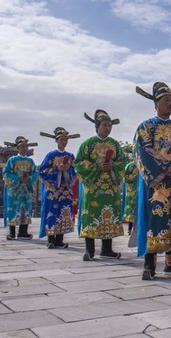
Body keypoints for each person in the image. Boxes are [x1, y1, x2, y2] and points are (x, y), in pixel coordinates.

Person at [134, 82, 171, 280]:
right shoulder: (146, 127)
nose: (170, 104)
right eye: (166, 100)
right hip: (157, 184)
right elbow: (142, 151)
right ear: (156, 103)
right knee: (155, 218)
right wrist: (164, 168)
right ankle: (149, 265)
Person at [75, 110, 126, 261]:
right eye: (104, 125)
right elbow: (78, 163)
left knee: (108, 215)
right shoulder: (88, 144)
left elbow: (122, 162)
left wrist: (112, 166)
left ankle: (107, 249)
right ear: (97, 126)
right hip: (93, 187)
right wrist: (96, 167)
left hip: (110, 187)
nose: (108, 128)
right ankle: (89, 250)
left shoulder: (115, 144)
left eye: (110, 125)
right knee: (90, 215)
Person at [38, 127, 80, 249]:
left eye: (66, 139)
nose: (64, 142)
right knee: (52, 213)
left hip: (65, 189)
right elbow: (42, 171)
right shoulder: (51, 155)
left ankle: (60, 240)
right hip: (53, 190)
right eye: (62, 139)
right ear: (57, 140)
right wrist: (57, 169)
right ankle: (50, 239)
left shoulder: (70, 156)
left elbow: (75, 171)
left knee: (63, 212)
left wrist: (69, 171)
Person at [3, 136, 39, 240]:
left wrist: (29, 179)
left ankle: (23, 232)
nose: (24, 148)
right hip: (15, 190)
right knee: (13, 209)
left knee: (25, 210)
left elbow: (35, 174)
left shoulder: (30, 161)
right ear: (17, 148)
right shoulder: (12, 160)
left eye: (25, 147)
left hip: (26, 189)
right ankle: (12, 233)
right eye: (22, 147)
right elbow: (6, 173)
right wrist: (18, 178)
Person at [122, 157, 138, 236]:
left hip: (140, 190)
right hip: (131, 192)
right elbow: (125, 178)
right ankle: (130, 229)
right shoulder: (130, 166)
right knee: (131, 210)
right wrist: (134, 176)